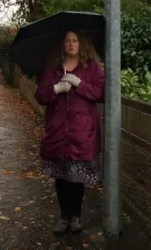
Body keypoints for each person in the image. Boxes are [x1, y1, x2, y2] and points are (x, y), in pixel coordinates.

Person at [35, 30, 104, 234]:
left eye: (75, 41)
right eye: (67, 41)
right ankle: (64, 216)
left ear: (81, 44)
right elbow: (40, 95)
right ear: (62, 45)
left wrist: (78, 83)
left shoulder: (91, 68)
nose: (71, 44)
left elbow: (101, 93)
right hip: (57, 131)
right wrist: (56, 90)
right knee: (61, 176)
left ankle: (76, 216)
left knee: (77, 176)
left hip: (81, 132)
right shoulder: (53, 70)